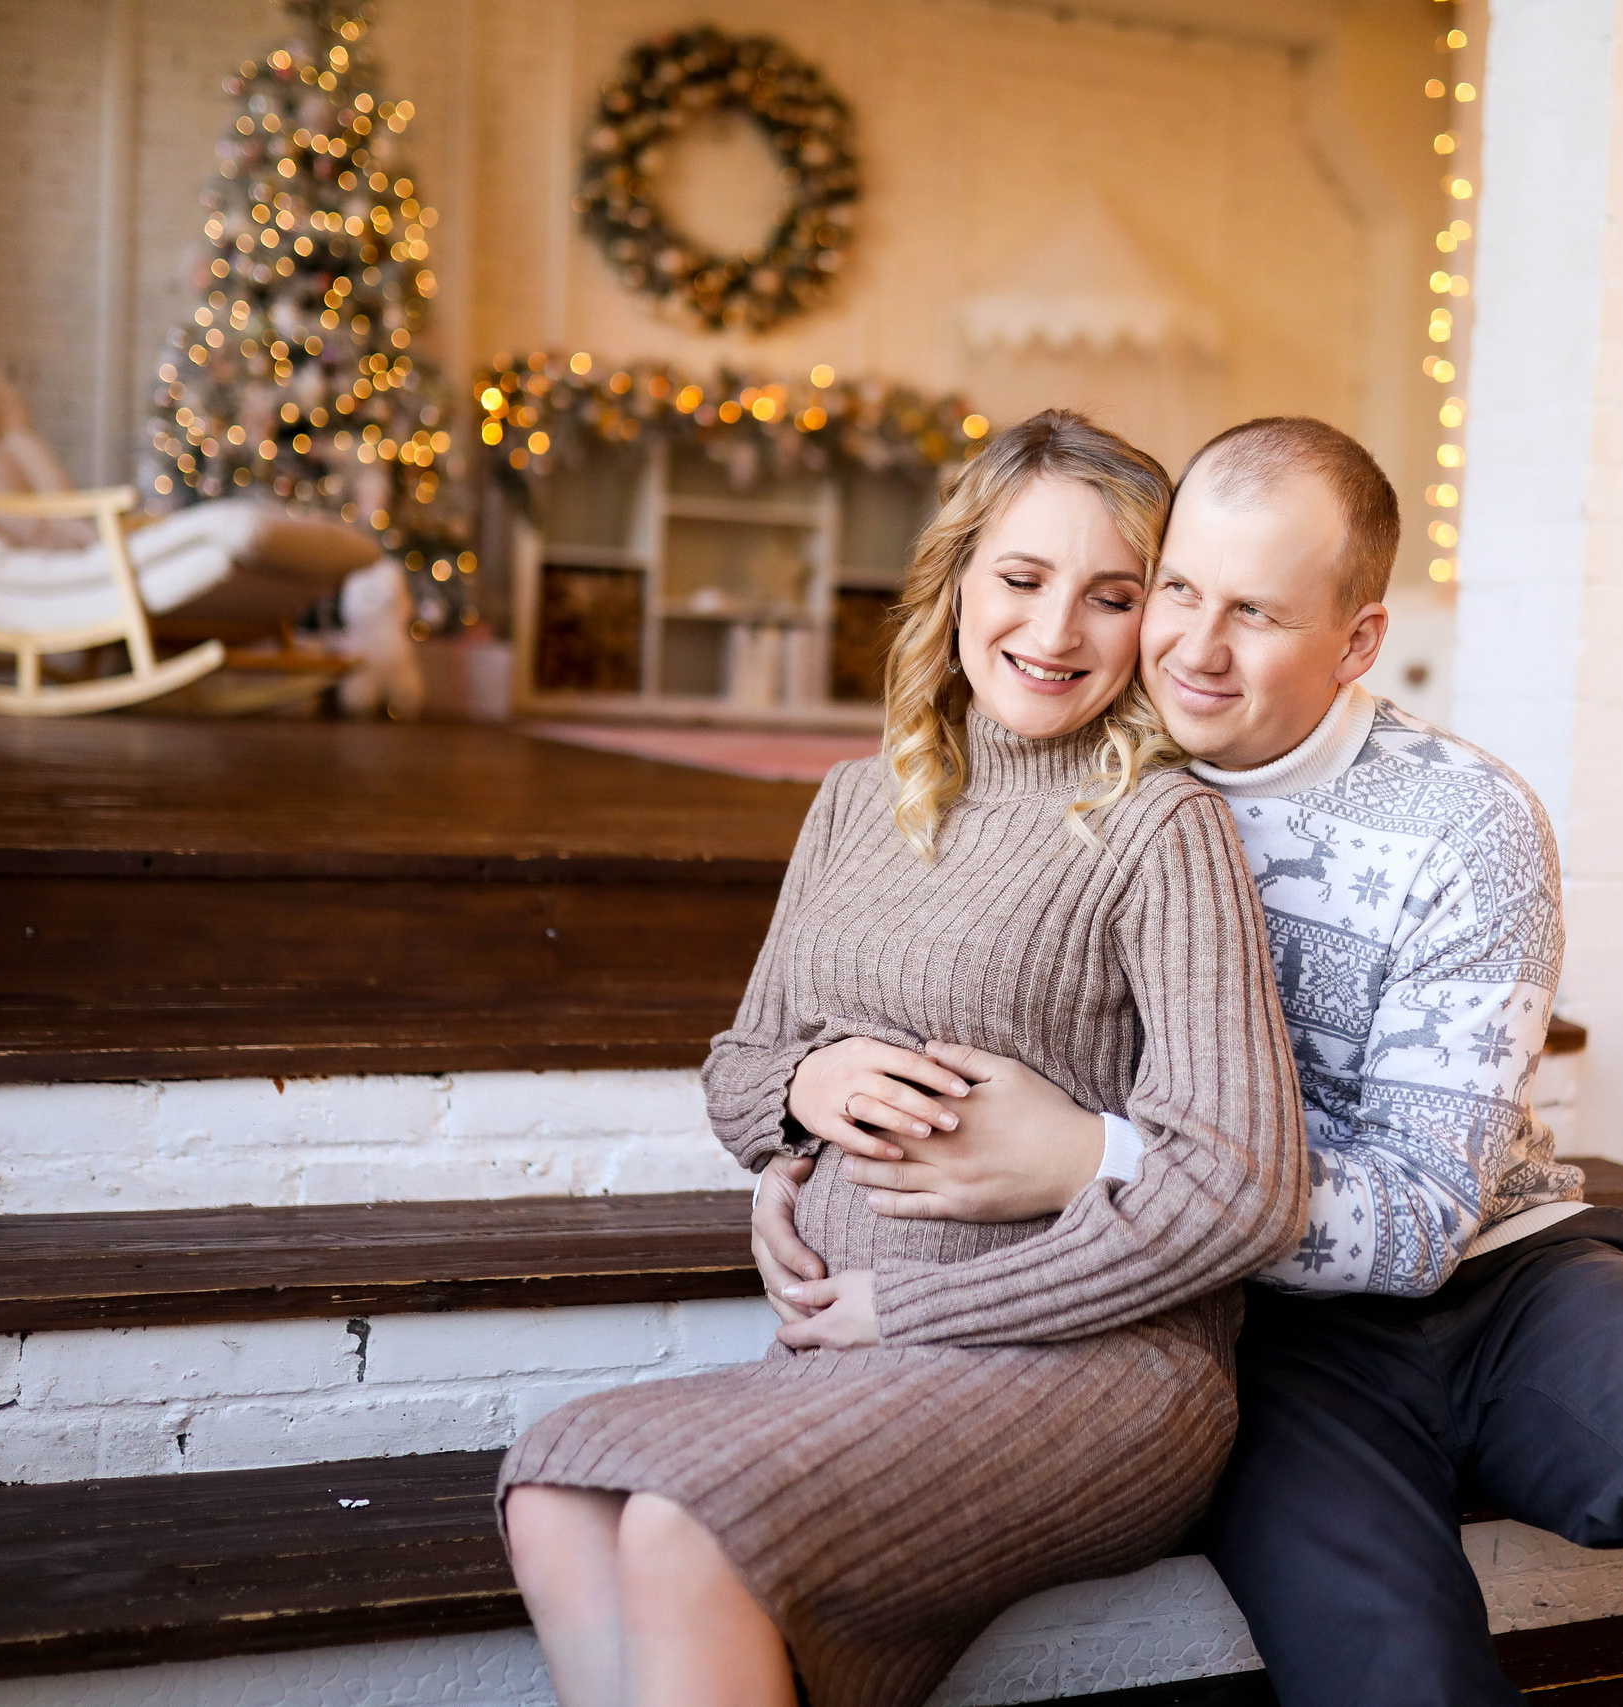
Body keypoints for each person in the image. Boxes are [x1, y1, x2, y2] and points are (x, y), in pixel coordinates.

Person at [756, 417, 1623, 1707]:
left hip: (1500, 1272)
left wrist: (1086, 1158)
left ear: (1358, 640)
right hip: (1245, 1328)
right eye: (1175, 592)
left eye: (1259, 615)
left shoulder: (1463, 820)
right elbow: (865, 1000)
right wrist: (807, 1136)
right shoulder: (1069, 768)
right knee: (1390, 1663)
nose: (1194, 650)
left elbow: (1422, 1217)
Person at [498, 410, 1308, 1707]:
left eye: (1112, 597)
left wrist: (913, 1310)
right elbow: (742, 1069)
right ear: (957, 581)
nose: (1055, 635)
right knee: (556, 1482)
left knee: (680, 1526)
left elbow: (1245, 1188)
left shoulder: (1165, 828)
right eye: (1024, 580)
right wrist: (806, 1101)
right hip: (863, 1344)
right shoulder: (856, 802)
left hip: (1094, 1360)